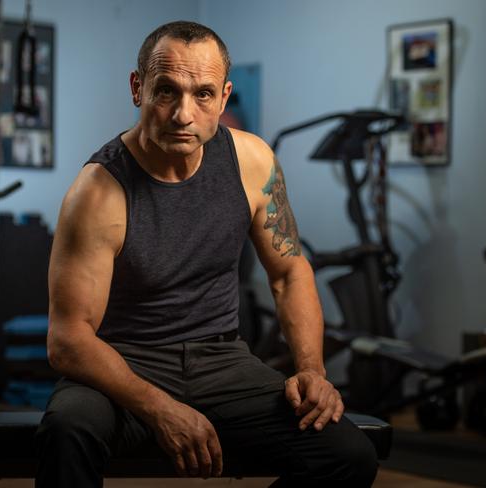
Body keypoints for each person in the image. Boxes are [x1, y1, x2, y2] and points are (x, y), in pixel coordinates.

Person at [35, 20, 378, 487]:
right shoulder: (98, 193)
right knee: (67, 429)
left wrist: (311, 371)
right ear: (138, 89)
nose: (183, 114)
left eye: (203, 94)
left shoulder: (252, 161)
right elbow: (68, 339)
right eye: (166, 91)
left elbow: (289, 273)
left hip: (222, 364)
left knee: (348, 454)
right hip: (122, 363)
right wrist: (160, 407)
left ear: (223, 97)